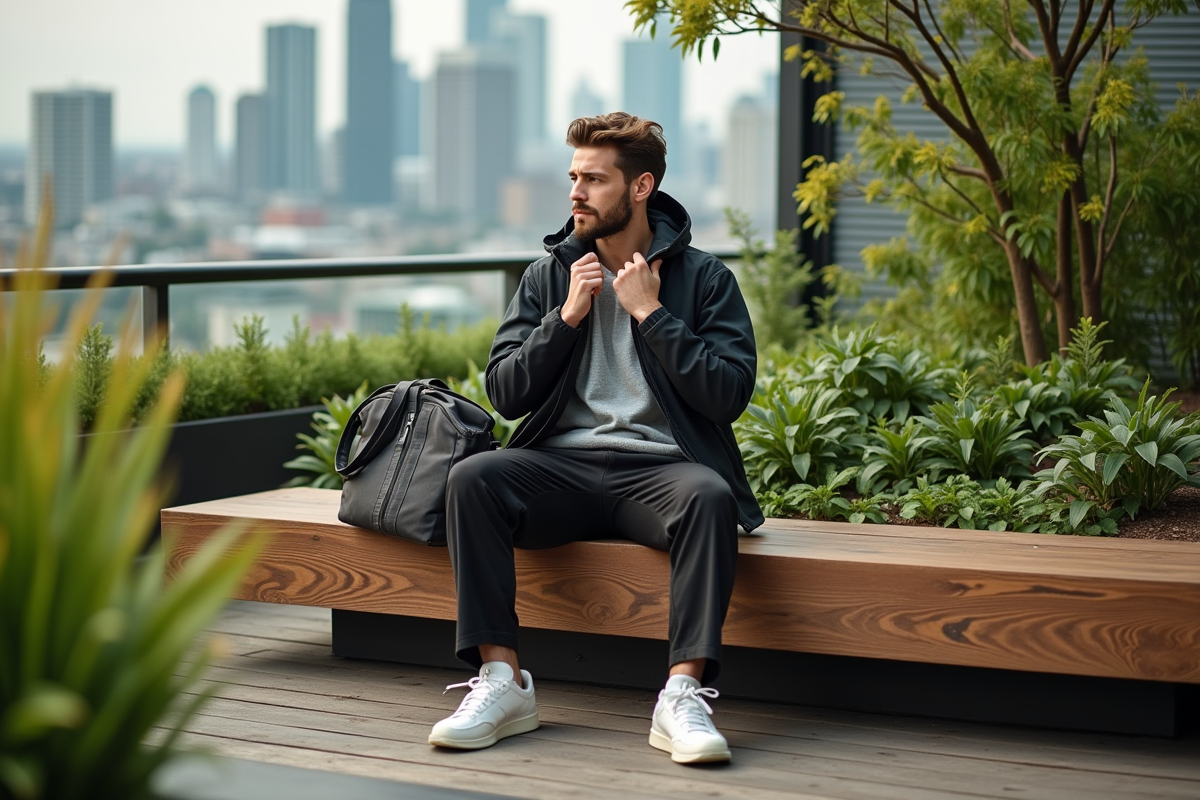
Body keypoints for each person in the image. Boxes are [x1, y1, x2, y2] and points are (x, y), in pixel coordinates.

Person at [428, 112, 762, 765]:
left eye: (594, 179)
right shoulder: (551, 276)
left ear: (640, 187)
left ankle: (682, 696)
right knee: (474, 478)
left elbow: (728, 394)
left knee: (710, 497)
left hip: (661, 474)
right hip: (561, 469)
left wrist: (652, 314)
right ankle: (503, 681)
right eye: (574, 177)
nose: (576, 192)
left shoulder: (704, 279)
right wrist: (566, 319)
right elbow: (506, 392)